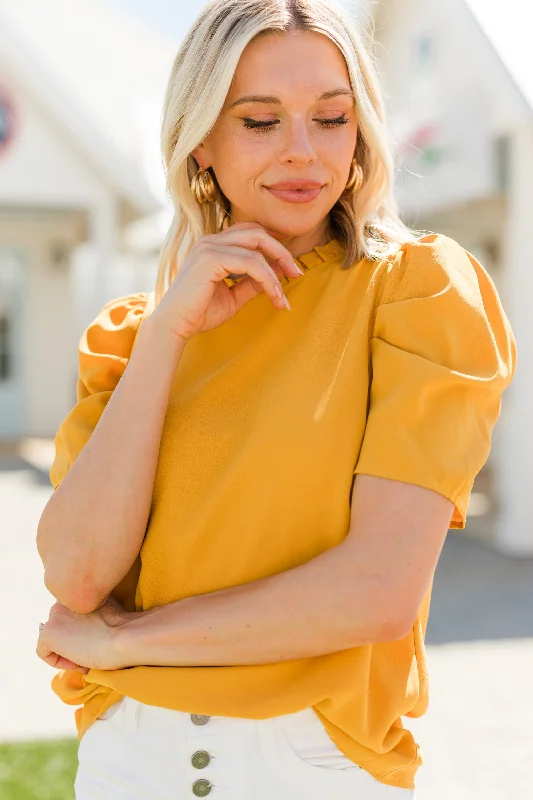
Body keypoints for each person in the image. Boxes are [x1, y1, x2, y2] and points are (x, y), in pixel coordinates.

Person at [35, 0, 516, 798]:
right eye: (260, 120)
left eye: (331, 117)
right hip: (127, 762)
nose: (303, 153)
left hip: (310, 766)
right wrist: (166, 338)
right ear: (199, 145)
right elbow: (77, 579)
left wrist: (125, 642)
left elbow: (374, 593)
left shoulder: (416, 293)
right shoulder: (130, 336)